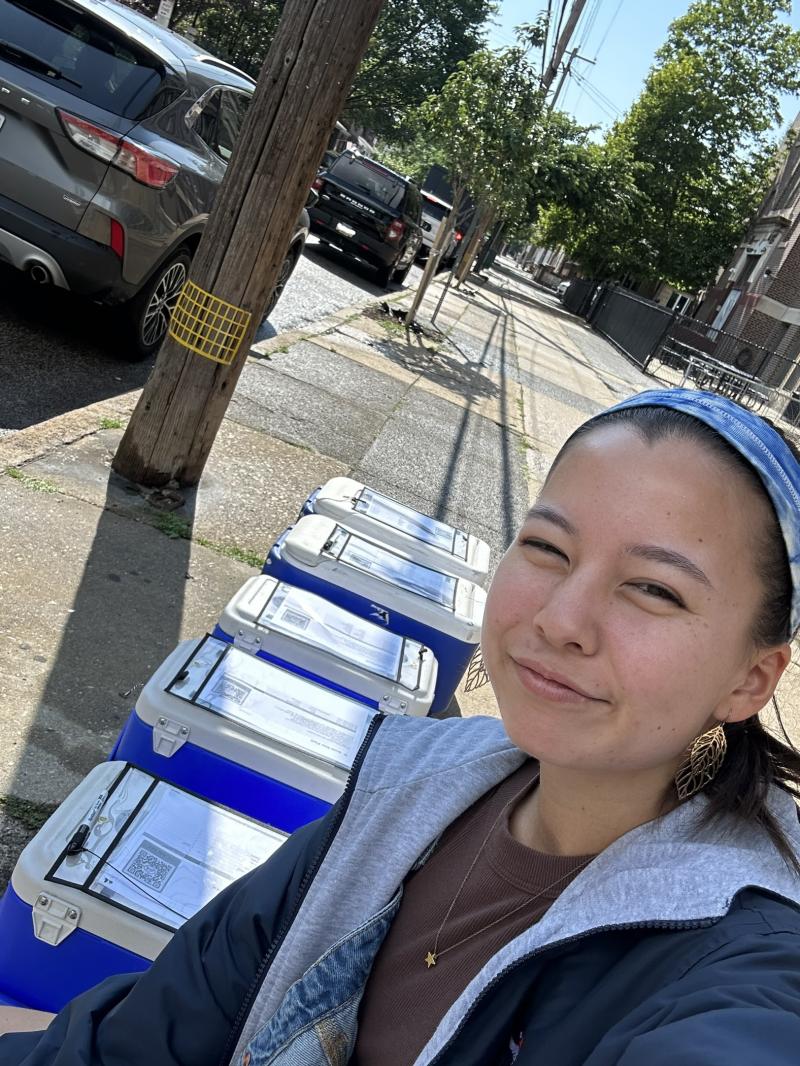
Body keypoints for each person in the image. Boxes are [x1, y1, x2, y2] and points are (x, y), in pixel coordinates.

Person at [2, 387, 800, 1066]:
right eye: (549, 547)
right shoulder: (409, 789)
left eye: (655, 590)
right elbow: (160, 1027)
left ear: (750, 678)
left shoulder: (741, 967)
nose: (561, 620)